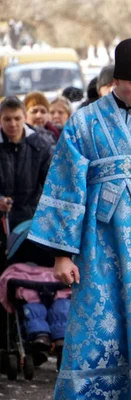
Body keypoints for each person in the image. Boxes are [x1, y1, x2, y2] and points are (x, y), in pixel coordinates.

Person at [27, 38, 131, 398]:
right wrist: (61, 254)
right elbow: (66, 186)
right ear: (116, 79)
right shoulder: (84, 122)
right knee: (95, 330)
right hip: (97, 247)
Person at [0, 96, 56, 348]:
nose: (12, 124)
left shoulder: (41, 145)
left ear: (24, 118)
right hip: (3, 221)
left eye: (17, 119)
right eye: (7, 119)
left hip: (32, 222)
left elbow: (55, 184)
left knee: (33, 276)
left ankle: (36, 331)